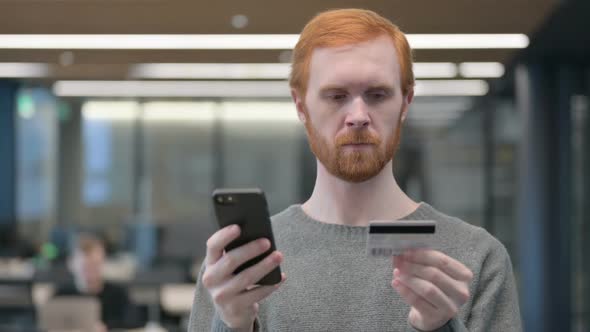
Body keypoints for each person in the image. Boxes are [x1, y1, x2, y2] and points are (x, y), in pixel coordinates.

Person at [189, 8, 522, 332]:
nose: (358, 115)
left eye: (377, 95)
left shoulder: (476, 258)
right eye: (337, 96)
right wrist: (232, 326)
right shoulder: (237, 271)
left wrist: (439, 329)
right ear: (301, 106)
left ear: (405, 103)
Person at [54, 232, 141, 330]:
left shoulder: (117, 295)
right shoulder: (63, 295)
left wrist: (107, 327)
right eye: (86, 266)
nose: (91, 270)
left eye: (95, 265)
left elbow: (134, 322)